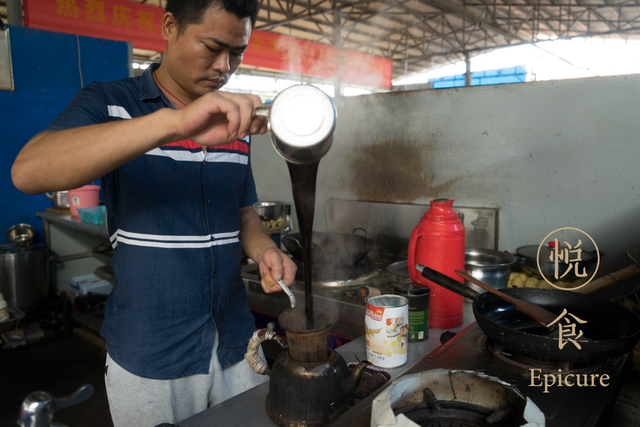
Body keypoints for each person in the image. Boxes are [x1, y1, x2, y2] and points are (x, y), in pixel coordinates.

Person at [11, 0, 297, 425]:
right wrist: (173, 123)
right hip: (152, 355)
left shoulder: (234, 124)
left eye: (237, 52)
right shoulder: (111, 104)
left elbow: (243, 215)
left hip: (237, 346)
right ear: (169, 27)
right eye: (212, 46)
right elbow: (28, 170)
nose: (225, 67)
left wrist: (264, 250)